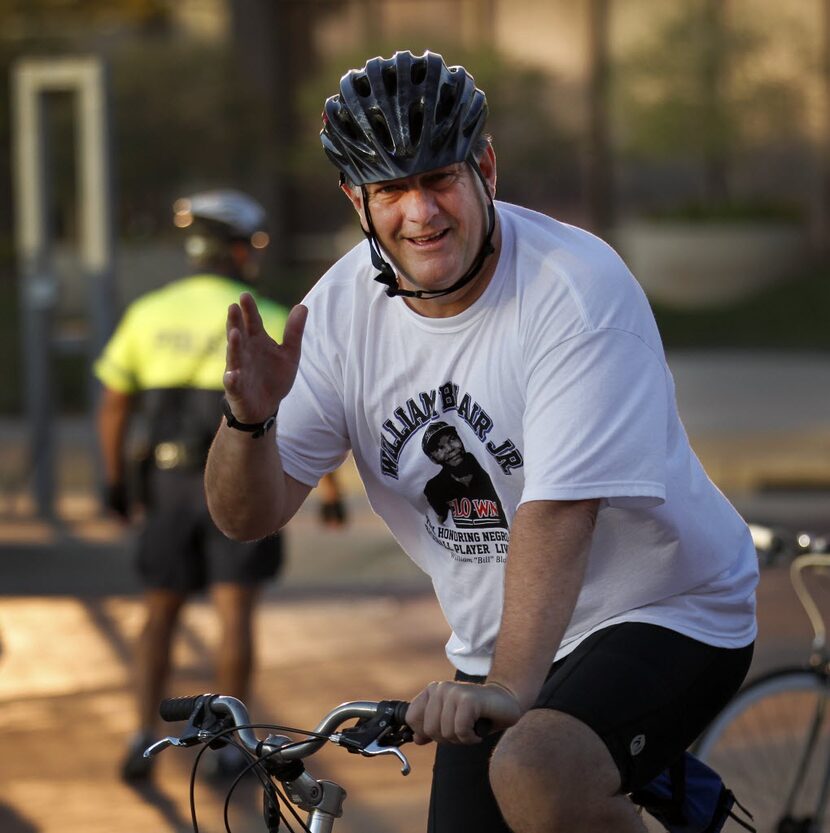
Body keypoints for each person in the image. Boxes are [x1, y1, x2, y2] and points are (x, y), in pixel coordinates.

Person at [204, 51, 758, 833]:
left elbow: (560, 513)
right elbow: (245, 514)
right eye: (393, 189)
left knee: (535, 768)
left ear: (485, 168)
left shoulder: (574, 287)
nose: (421, 212)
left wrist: (505, 687)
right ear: (357, 201)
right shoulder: (334, 315)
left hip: (667, 606)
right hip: (505, 641)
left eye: (439, 179)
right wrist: (249, 421)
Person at [94, 189, 347, 782]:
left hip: (168, 484)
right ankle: (233, 744)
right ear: (236, 251)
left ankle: (140, 736)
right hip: (242, 486)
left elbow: (112, 405)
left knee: (159, 612)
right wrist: (329, 491)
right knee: (236, 612)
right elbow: (307, 413)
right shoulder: (268, 313)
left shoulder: (148, 313)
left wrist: (113, 484)